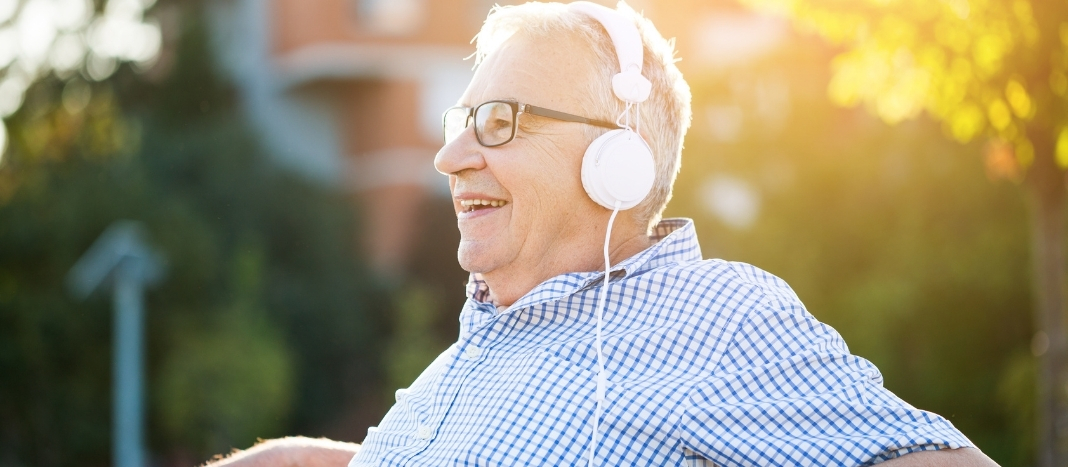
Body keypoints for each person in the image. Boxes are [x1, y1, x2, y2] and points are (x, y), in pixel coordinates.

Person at [207, 2, 1000, 466]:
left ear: (615, 158)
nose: (450, 156)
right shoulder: (479, 350)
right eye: (459, 119)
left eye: (498, 122)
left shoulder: (716, 319)